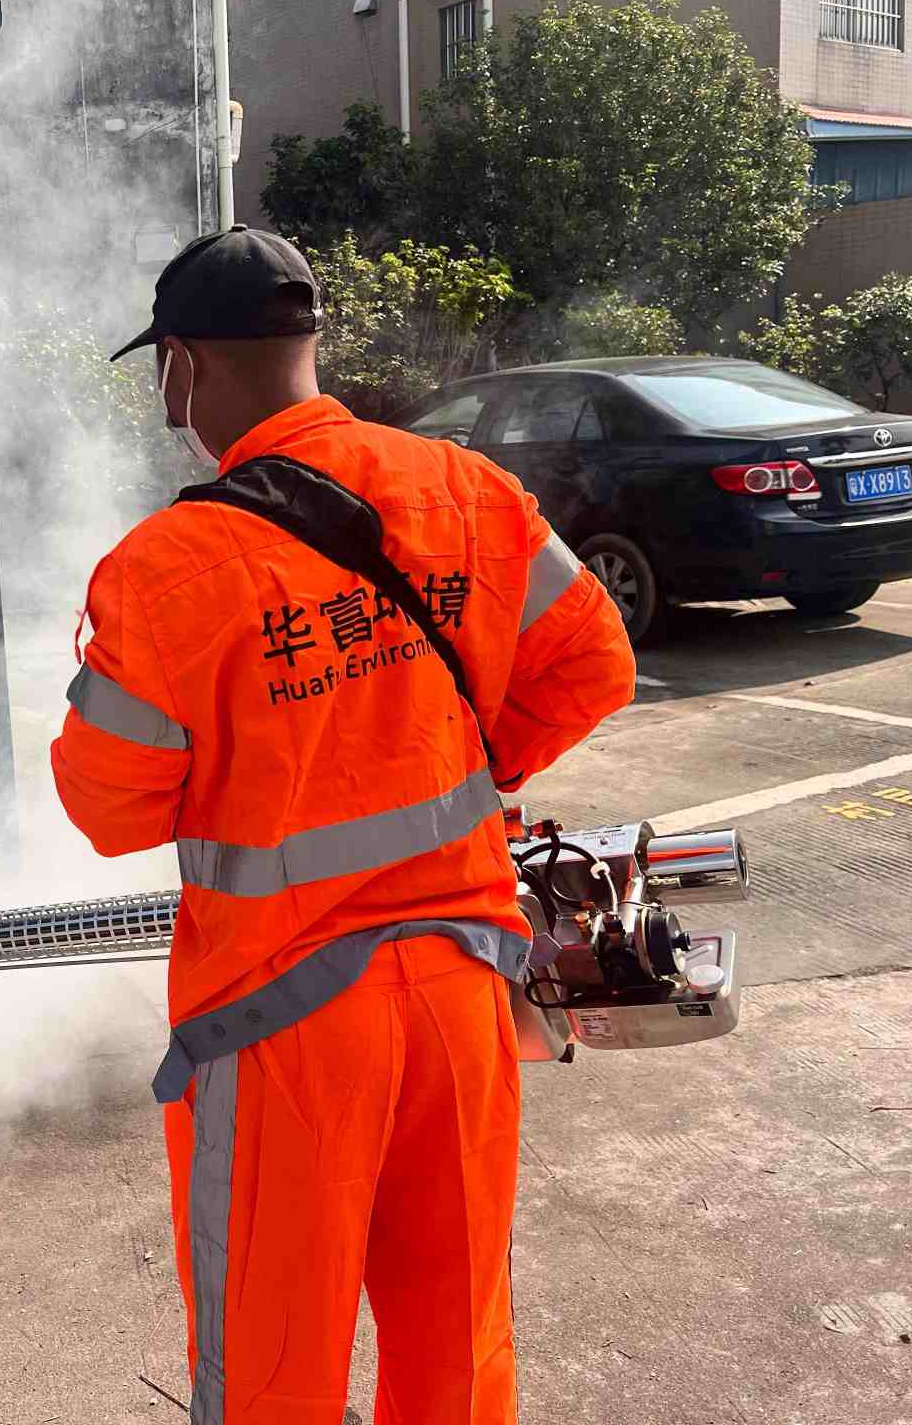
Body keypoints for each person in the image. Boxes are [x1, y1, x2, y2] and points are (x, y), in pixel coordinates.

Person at [49, 225, 635, 1424]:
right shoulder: (466, 489)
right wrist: (465, 766)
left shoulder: (167, 572)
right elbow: (596, 661)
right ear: (309, 345)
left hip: (280, 1025)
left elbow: (109, 810)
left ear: (177, 369)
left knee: (274, 1368)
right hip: (469, 989)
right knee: (455, 1344)